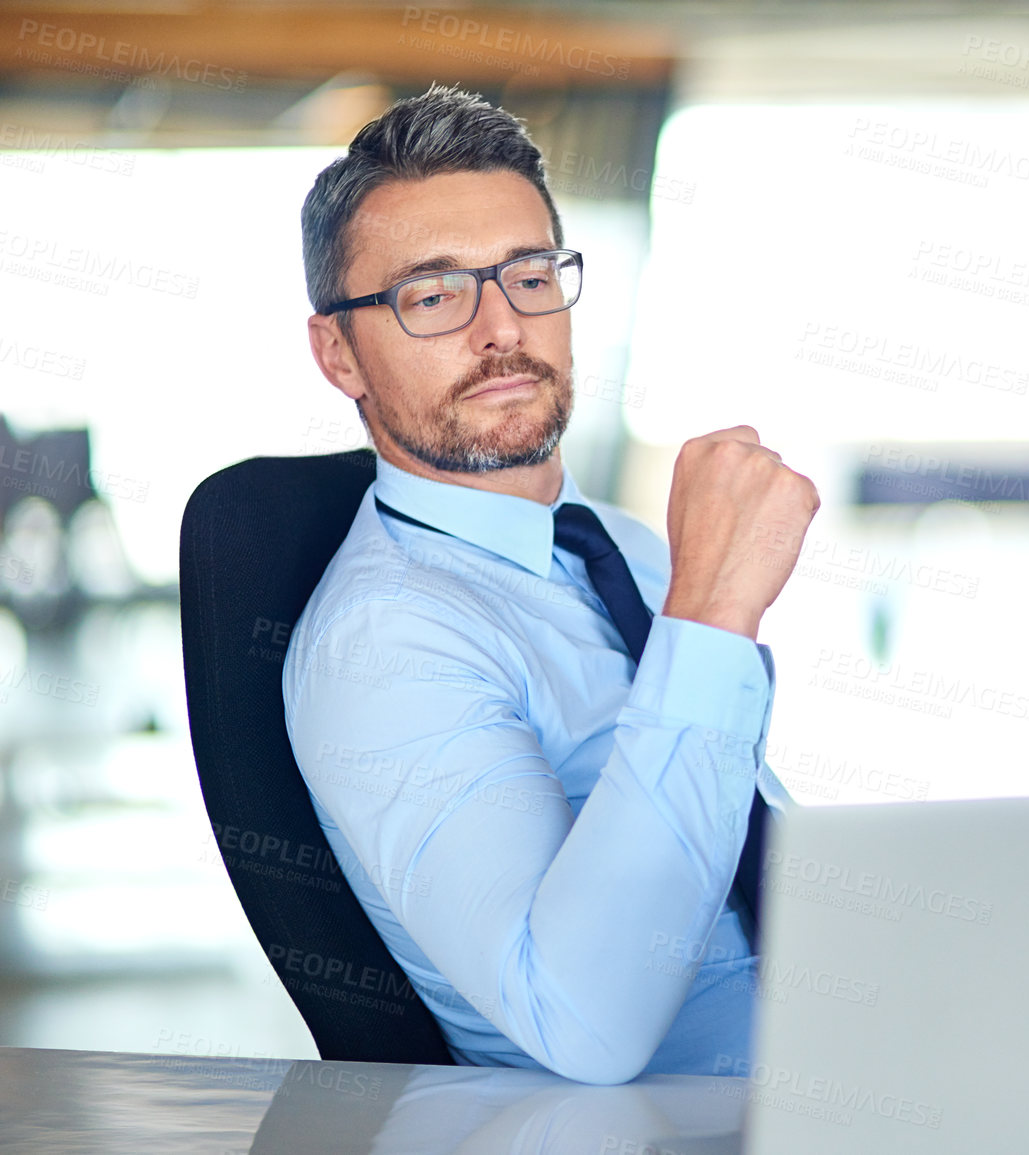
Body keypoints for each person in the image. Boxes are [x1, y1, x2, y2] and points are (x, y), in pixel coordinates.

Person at [283, 83, 819, 1085]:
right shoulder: (385, 642)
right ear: (338, 353)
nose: (501, 329)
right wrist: (712, 615)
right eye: (432, 293)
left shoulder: (623, 551)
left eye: (528, 274)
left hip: (849, 1064)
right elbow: (587, 1028)